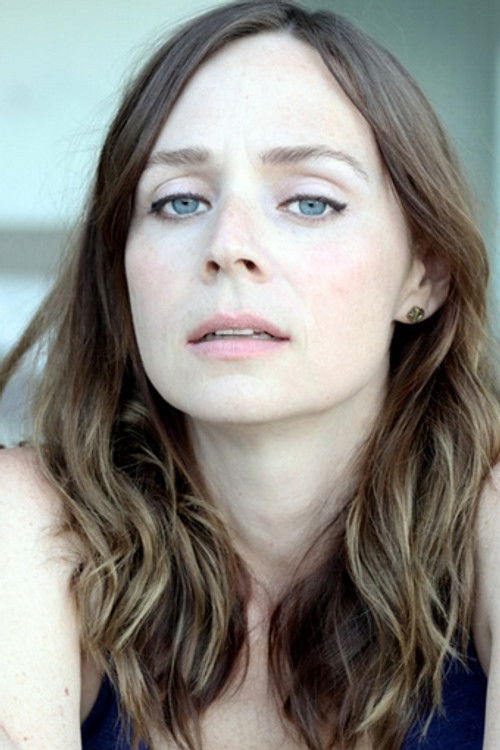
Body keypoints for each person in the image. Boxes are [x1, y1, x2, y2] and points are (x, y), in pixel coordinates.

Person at [0, 1, 499, 748]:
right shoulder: (25, 521)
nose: (227, 245)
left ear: (422, 273)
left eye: (310, 201)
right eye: (179, 201)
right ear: (123, 273)